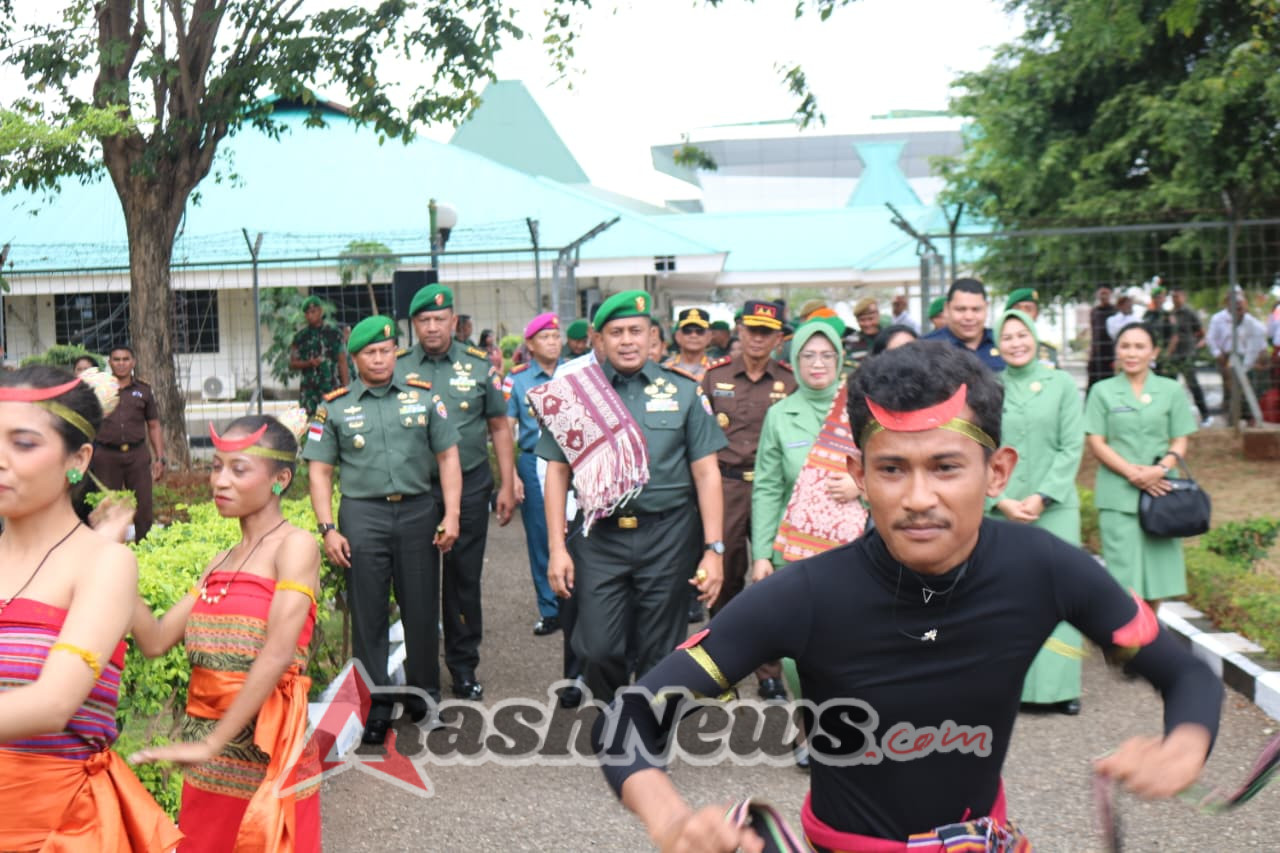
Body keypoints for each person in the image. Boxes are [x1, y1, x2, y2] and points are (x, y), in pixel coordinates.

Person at [595, 341, 1222, 851]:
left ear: (997, 472)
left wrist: (1185, 745)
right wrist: (672, 822)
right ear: (857, 476)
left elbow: (1184, 673)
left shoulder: (1046, 569)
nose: (919, 497)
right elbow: (633, 714)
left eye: (946, 467)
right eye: (892, 469)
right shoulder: (803, 596)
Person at [0, 366, 183, 850]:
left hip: (55, 827)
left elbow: (53, 703)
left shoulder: (106, 563)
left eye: (23, 443)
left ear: (78, 458)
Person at [128, 413, 323, 851]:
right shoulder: (219, 562)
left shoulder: (296, 546)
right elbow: (156, 640)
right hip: (209, 760)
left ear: (281, 478)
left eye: (238, 469)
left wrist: (211, 743)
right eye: (216, 466)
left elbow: (276, 654)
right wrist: (111, 559)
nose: (220, 481)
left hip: (264, 750)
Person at [537, 290, 728, 702]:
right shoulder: (576, 394)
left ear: (652, 337)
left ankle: (641, 735)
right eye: (616, 332)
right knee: (598, 647)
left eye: (636, 331)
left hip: (669, 535)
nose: (627, 340)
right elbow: (556, 474)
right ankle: (614, 708)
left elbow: (707, 473)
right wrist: (556, 548)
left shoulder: (683, 392)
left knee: (661, 649)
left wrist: (714, 549)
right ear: (598, 340)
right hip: (598, 536)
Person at [305, 315, 463, 743]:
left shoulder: (424, 398)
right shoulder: (334, 407)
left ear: (395, 351)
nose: (380, 358)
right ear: (354, 359)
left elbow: (448, 457)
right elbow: (319, 472)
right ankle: (375, 707)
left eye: (386, 350)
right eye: (370, 352)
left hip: (417, 513)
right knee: (368, 614)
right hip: (363, 517)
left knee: (422, 609)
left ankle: (425, 698)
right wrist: (328, 529)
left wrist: (451, 514)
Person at [750, 321, 866, 746]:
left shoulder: (862, 411)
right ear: (794, 362)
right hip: (795, 551)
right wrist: (762, 553)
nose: (818, 364)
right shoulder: (780, 415)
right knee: (798, 653)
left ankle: (848, 727)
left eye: (827, 355)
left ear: (839, 360)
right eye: (808, 355)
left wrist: (863, 486)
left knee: (853, 642)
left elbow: (896, 469)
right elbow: (766, 486)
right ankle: (809, 729)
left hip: (854, 553)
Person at [398, 285, 515, 701]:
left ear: (453, 321)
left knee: (464, 581)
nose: (432, 327)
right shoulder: (394, 367)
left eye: (439, 319)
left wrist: (508, 481)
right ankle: (421, 673)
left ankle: (464, 668)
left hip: (469, 484)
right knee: (417, 582)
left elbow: (500, 426)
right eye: (424, 321)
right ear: (414, 325)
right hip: (413, 490)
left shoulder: (480, 366)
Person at [989, 310, 1085, 715]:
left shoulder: (1060, 384)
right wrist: (1000, 501)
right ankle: (1016, 689)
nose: (1015, 343)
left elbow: (1071, 445)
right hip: (1003, 507)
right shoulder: (990, 388)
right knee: (1010, 599)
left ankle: (1061, 688)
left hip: (1055, 507)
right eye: (1007, 337)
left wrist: (1043, 496)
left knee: (1060, 594)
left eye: (1021, 335)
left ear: (1035, 338)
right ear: (998, 344)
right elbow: (982, 448)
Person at [701, 300, 796, 697]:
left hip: (773, 491)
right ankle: (722, 665)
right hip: (726, 488)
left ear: (779, 338)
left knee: (771, 581)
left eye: (766, 331)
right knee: (722, 579)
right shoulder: (713, 378)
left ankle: (769, 672)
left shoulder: (791, 383)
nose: (757, 338)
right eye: (751, 329)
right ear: (739, 330)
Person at [1086, 323, 1197, 604]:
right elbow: (1097, 442)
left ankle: (1147, 644)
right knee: (1123, 582)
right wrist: (1132, 473)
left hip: (1161, 493)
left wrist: (1159, 469)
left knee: (1157, 582)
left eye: (1139, 346)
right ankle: (1124, 646)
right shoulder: (1102, 391)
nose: (1131, 353)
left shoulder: (1171, 390)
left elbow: (1180, 440)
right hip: (1118, 495)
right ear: (1117, 351)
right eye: (1125, 346)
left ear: (1154, 352)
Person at [505, 312, 564, 636]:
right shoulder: (517, 380)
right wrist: (511, 474)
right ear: (530, 344)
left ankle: (579, 602)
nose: (552, 343)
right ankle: (550, 608)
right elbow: (506, 428)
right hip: (535, 460)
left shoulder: (575, 372)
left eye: (556, 337)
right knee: (541, 536)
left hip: (574, 461)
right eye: (545, 337)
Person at [88, 344, 165, 542]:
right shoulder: (99, 391)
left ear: (133, 362)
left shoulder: (144, 390)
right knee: (106, 504)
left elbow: (154, 425)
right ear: (109, 362)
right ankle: (108, 548)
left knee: (144, 506)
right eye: (116, 359)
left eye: (125, 359)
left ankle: (144, 546)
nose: (121, 364)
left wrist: (160, 458)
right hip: (106, 456)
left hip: (137, 455)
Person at [1206, 289, 1269, 422]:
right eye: (1233, 301)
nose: (1238, 304)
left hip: (1247, 359)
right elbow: (1210, 339)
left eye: (1240, 301)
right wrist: (1218, 354)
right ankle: (1232, 422)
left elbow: (1260, 343)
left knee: (1248, 391)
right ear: (1226, 303)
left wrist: (1260, 358)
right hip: (1228, 358)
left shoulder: (1251, 322)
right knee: (1232, 391)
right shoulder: (1218, 319)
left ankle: (1248, 419)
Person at [924, 278, 1005, 371]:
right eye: (961, 309)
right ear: (946, 308)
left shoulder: (1004, 343)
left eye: (976, 309)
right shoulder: (926, 348)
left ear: (986, 308)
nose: (969, 317)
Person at [289, 295, 349, 416]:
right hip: (309, 391)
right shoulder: (300, 337)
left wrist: (346, 387)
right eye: (307, 313)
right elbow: (293, 363)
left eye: (313, 311)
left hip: (331, 386)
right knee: (311, 424)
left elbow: (342, 361)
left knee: (333, 418)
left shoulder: (334, 333)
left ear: (320, 311)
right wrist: (309, 363)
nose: (310, 316)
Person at [1163, 287, 1211, 427]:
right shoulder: (1170, 314)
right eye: (1173, 296)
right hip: (1173, 356)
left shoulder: (1189, 312)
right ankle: (1168, 418)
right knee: (1169, 387)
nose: (1175, 299)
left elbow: (1201, 332)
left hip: (1186, 355)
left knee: (1193, 385)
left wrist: (1195, 347)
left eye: (1177, 296)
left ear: (1183, 297)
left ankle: (1206, 416)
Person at [1003, 287, 1058, 367]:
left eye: (1028, 309)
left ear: (1036, 315)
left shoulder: (1048, 353)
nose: (1022, 314)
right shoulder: (996, 349)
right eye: (1017, 309)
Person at [663, 307, 713, 380]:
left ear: (709, 337)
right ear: (677, 336)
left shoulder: (716, 369)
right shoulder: (665, 368)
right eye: (687, 331)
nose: (693, 335)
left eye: (700, 331)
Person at [1088, 286, 1118, 389]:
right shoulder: (1094, 311)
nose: (1104, 296)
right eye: (1102, 293)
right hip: (1096, 352)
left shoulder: (1115, 311)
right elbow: (1093, 332)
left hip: (1110, 352)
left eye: (1106, 293)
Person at [845, 297, 882, 370]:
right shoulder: (850, 341)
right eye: (862, 320)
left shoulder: (890, 338)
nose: (867, 324)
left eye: (871, 318)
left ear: (878, 316)